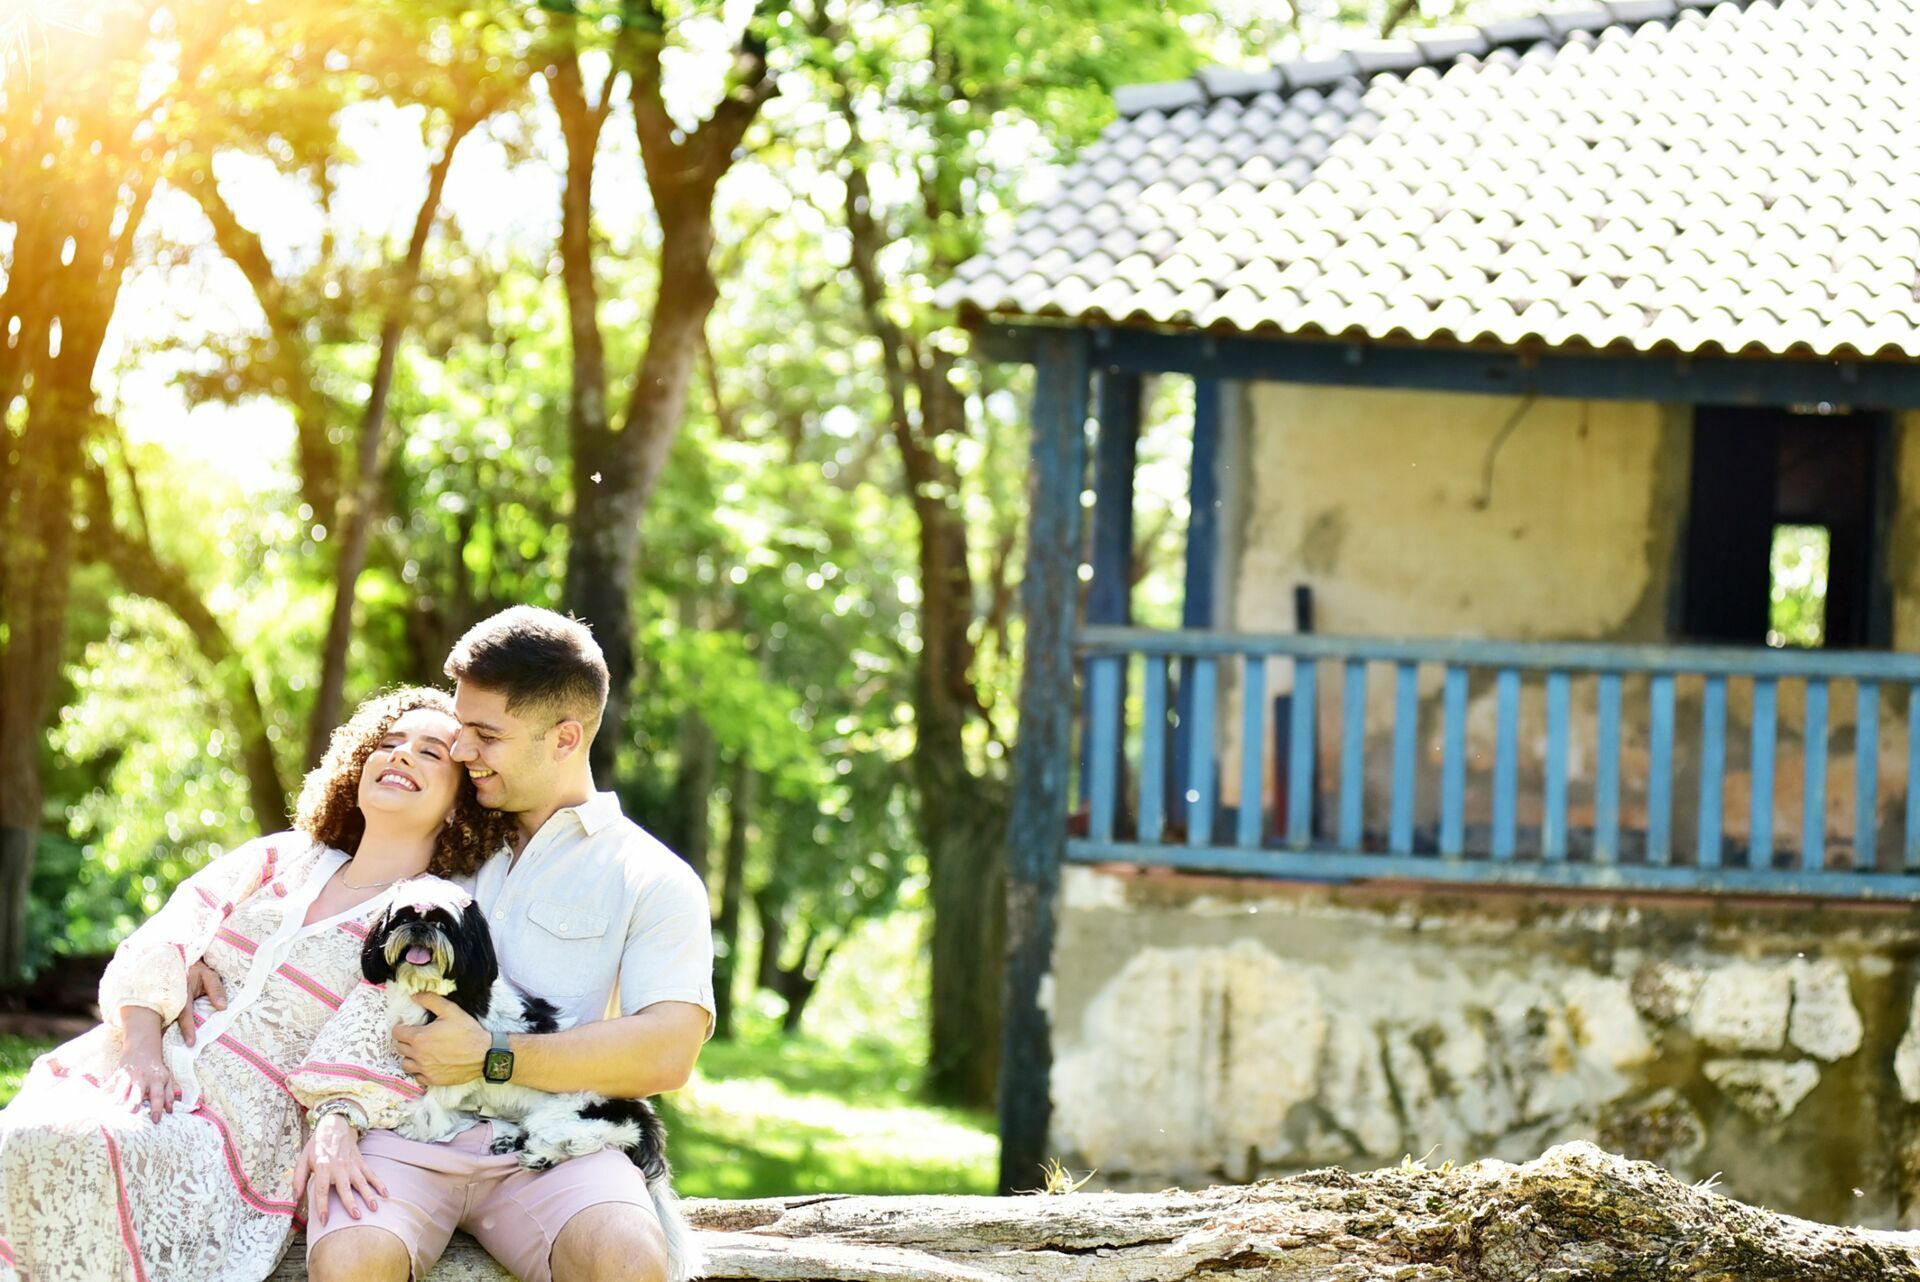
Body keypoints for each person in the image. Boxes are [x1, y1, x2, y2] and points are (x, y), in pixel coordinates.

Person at [0, 687, 515, 1282]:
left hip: (244, 1124)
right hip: (143, 1064)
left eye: (430, 753)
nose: (400, 756)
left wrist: (337, 1122)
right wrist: (143, 1048)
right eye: (390, 743)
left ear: (458, 804)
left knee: (75, 1149)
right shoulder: (286, 856)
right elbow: (174, 928)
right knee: (23, 1138)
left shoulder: (426, 915)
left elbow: (376, 1031)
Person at [303, 607, 714, 1282]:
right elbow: (314, 877)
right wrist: (207, 952)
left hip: (559, 1142)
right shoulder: (442, 834)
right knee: (348, 1261)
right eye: (460, 731)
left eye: (485, 736)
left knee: (627, 1256)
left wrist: (492, 1058)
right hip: (407, 1130)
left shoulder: (650, 876)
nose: (463, 752)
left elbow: (669, 1052)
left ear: (565, 737)